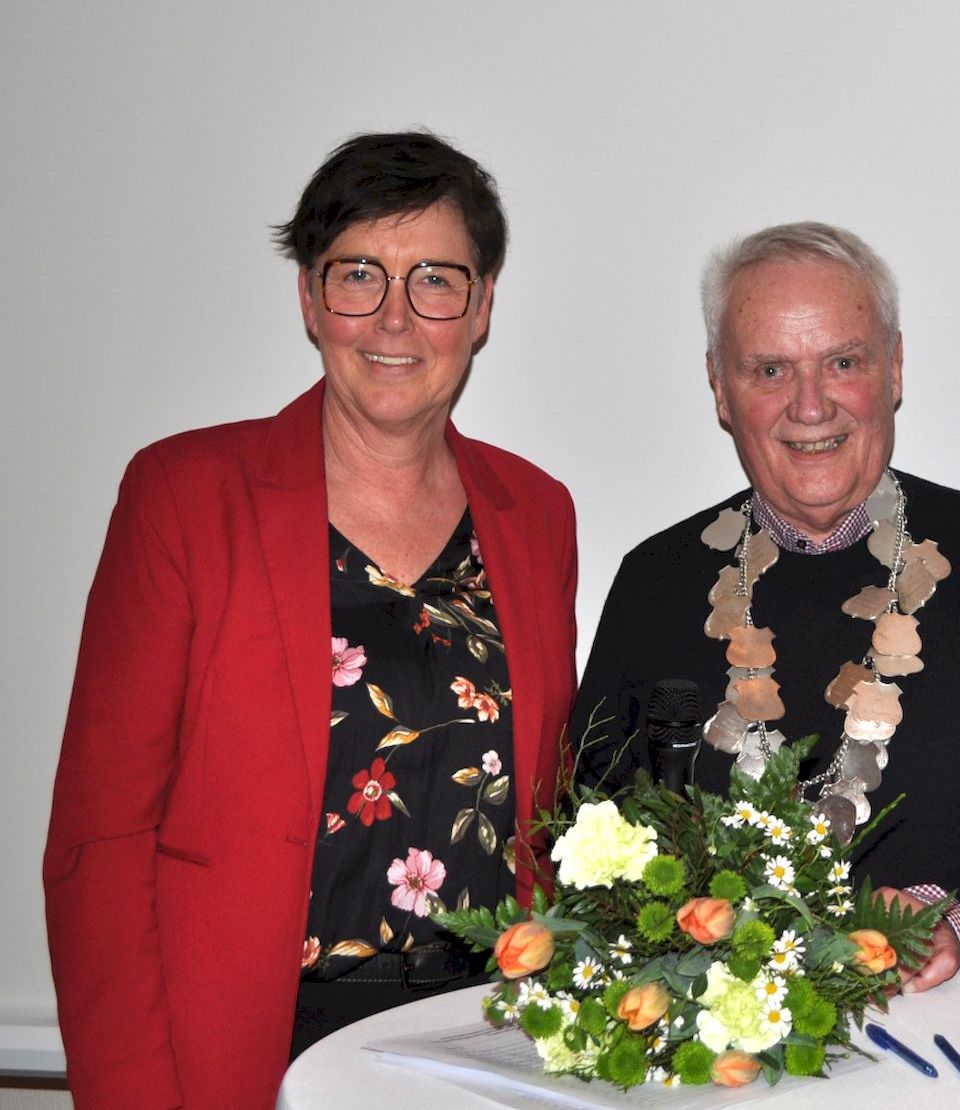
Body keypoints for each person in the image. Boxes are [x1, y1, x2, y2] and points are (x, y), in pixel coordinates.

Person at [43, 132, 579, 1108]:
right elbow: (101, 843)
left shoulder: (536, 515)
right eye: (358, 275)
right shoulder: (184, 498)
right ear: (309, 297)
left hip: (487, 1046)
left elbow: (545, 823)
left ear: (482, 307)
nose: (395, 317)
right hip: (253, 1051)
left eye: (436, 280)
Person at [570, 221, 960, 991]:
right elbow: (594, 830)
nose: (810, 406)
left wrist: (954, 921)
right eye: (770, 370)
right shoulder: (652, 586)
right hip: (719, 1038)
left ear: (894, 369)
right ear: (720, 389)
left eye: (843, 363)